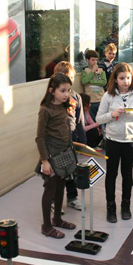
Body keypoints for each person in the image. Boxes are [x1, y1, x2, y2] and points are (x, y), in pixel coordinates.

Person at [96, 63, 133, 222]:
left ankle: (126, 206)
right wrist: (112, 114)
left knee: (127, 174)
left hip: (130, 140)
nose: (125, 81)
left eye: (128, 77)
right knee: (111, 174)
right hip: (112, 140)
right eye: (121, 78)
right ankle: (110, 207)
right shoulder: (108, 96)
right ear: (115, 79)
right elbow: (99, 118)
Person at [35, 73, 77, 238]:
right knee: (50, 190)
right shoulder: (45, 110)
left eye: (68, 90)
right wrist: (45, 161)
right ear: (52, 91)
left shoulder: (63, 106)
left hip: (64, 155)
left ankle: (57, 219)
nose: (66, 94)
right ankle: (46, 226)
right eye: (62, 90)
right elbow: (40, 137)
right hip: (52, 157)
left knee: (61, 187)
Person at [55, 61, 87, 211]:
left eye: (72, 77)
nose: (71, 80)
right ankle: (56, 202)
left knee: (71, 171)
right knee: (58, 174)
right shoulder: (53, 98)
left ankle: (72, 198)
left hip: (72, 139)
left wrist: (83, 140)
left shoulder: (76, 97)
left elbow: (80, 120)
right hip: (56, 143)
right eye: (67, 77)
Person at [81, 50, 107, 122]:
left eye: (96, 60)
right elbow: (84, 81)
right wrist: (92, 71)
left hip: (100, 98)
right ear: (87, 60)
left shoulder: (101, 69)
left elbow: (104, 82)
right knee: (93, 119)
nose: (95, 62)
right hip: (91, 99)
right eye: (93, 60)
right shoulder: (85, 70)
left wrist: (92, 82)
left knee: (101, 118)